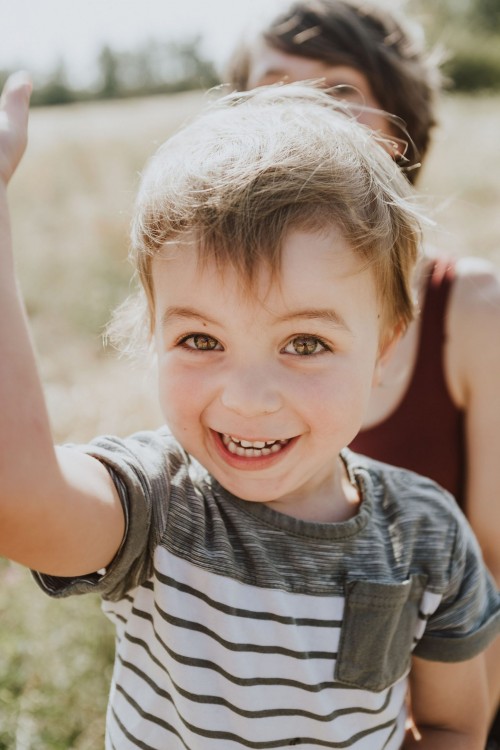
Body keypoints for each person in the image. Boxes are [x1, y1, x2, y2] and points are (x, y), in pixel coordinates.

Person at [1, 73, 499, 750]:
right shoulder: (158, 506)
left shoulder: (427, 537)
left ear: (383, 349)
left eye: (305, 343)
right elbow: (19, 499)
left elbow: (450, 725)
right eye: (200, 339)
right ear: (153, 339)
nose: (246, 397)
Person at [225, 0, 500, 740]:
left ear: (400, 127)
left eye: (341, 92)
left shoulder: (473, 308)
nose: (307, 115)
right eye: (275, 87)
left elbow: (495, 564)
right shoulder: (211, 324)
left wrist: (433, 728)